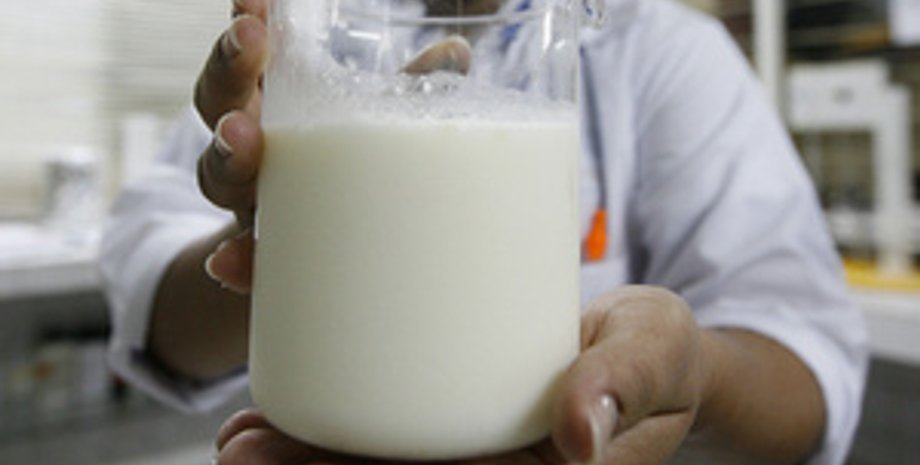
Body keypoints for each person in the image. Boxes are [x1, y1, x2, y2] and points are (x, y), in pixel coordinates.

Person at [100, 0, 869, 464]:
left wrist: (690, 374)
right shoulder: (311, 39)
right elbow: (145, 285)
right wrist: (288, 245)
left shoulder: (658, 49)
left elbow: (805, 354)